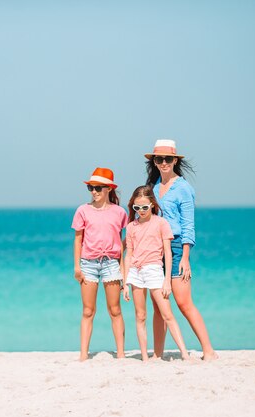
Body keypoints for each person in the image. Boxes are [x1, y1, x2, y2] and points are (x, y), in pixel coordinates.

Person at [144, 139, 218, 360]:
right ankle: (157, 354)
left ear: (175, 160)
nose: (164, 162)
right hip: (156, 247)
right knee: (158, 306)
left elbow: (188, 225)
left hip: (176, 247)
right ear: (154, 162)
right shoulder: (153, 187)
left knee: (184, 303)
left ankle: (208, 350)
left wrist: (186, 256)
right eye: (159, 159)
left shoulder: (184, 188)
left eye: (168, 159)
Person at [122, 185, 190, 361]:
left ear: (152, 204)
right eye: (137, 208)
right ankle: (145, 357)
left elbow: (168, 253)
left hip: (154, 270)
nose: (141, 211)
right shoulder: (131, 227)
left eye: (145, 207)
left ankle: (184, 353)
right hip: (136, 273)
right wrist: (125, 283)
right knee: (140, 315)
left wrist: (167, 281)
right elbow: (128, 254)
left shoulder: (161, 223)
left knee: (167, 314)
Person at [72, 167, 128, 361]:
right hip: (88, 264)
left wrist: (123, 270)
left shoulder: (120, 212)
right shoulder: (83, 210)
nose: (94, 191)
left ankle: (120, 354)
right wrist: (77, 267)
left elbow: (122, 243)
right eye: (91, 188)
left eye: (98, 188)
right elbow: (78, 240)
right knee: (88, 310)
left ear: (108, 189)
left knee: (115, 310)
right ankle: (83, 355)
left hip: (111, 264)